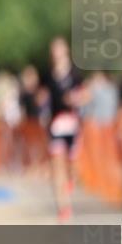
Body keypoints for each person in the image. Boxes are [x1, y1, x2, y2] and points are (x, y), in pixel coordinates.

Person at [42, 37, 87, 222]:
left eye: (59, 49)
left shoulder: (75, 74)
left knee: (72, 166)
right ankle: (63, 208)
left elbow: (85, 94)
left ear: (65, 50)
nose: (57, 52)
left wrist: (76, 99)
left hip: (72, 124)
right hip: (55, 125)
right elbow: (43, 97)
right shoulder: (48, 75)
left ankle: (70, 181)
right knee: (57, 165)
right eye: (54, 50)